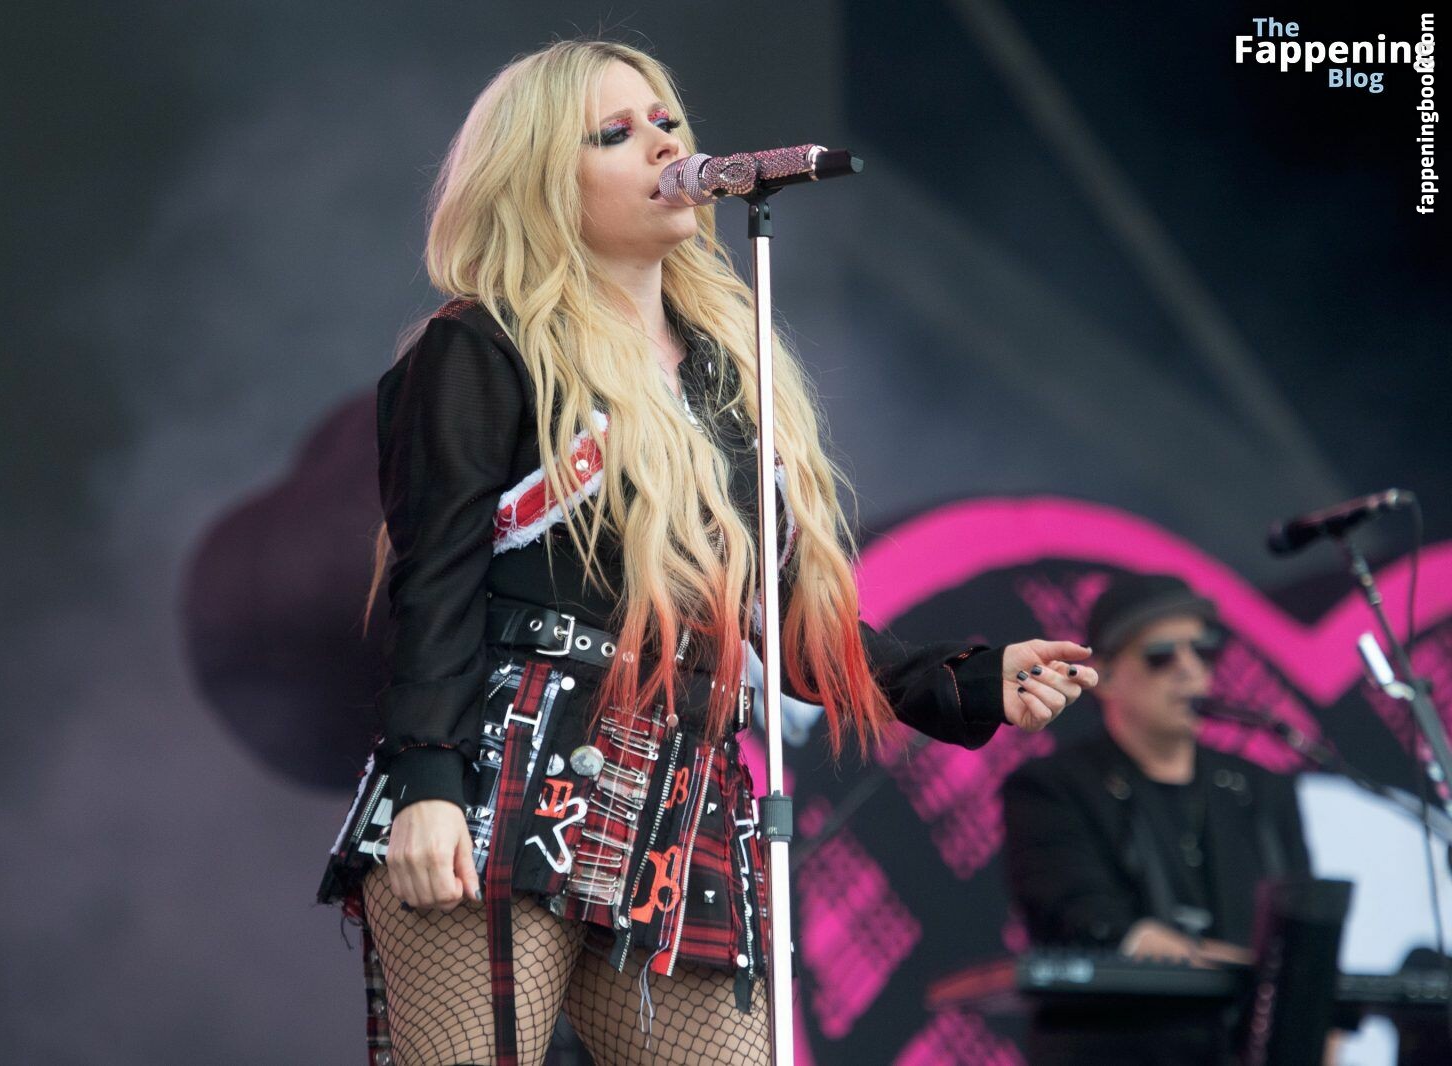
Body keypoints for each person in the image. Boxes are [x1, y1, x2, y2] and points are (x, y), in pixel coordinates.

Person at [319, 39, 1098, 1066]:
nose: (661, 145)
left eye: (665, 122)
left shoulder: (727, 378)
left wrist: (965, 679)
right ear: (542, 179)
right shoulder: (483, 348)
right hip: (504, 770)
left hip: (680, 799)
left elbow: (788, 619)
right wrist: (427, 782)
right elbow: (436, 580)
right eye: (614, 133)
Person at [1002, 572, 1312, 1064]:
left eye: (1203, 651)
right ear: (1104, 675)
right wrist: (1258, 972)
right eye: (1161, 655)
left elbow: (1304, 932)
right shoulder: (1050, 789)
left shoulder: (1261, 790)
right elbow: (1094, 925)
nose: (1189, 669)